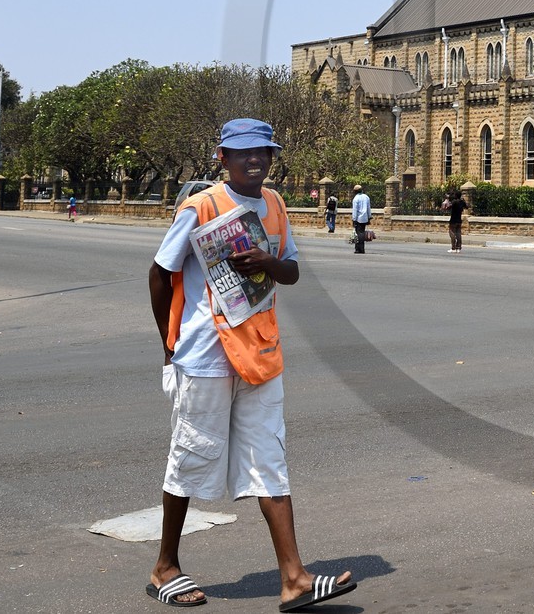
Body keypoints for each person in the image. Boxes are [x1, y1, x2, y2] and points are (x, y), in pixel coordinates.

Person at [145, 118, 354, 611]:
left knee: (270, 459)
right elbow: (159, 273)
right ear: (223, 158)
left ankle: (294, 578)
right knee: (192, 455)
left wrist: (266, 260)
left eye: (262, 152)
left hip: (258, 352)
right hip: (204, 356)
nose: (254, 160)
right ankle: (164, 567)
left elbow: (293, 271)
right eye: (243, 153)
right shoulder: (201, 207)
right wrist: (168, 343)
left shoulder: (276, 204)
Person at [444, 188, 469, 253]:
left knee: (452, 233)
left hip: (453, 220)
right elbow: (467, 207)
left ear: (455, 195)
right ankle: (459, 248)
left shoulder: (454, 202)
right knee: (458, 234)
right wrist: (464, 201)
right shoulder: (462, 202)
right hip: (459, 220)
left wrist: (447, 201)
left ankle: (453, 248)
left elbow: (448, 207)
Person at [349, 184, 371, 254]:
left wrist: (354, 219)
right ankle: (361, 248)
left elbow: (355, 210)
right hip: (365, 218)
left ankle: (358, 248)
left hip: (358, 218)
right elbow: (368, 208)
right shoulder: (366, 197)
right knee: (362, 232)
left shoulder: (356, 198)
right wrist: (369, 217)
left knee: (359, 234)